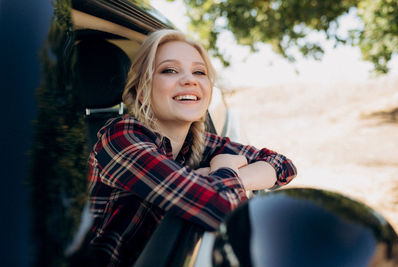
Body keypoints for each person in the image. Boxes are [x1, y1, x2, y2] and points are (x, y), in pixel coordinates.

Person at [85, 29, 297, 266]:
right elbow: (222, 211)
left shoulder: (199, 142)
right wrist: (225, 170)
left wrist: (227, 175)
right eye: (169, 70)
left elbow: (283, 166)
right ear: (143, 92)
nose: (190, 80)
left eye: (199, 72)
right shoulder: (120, 138)